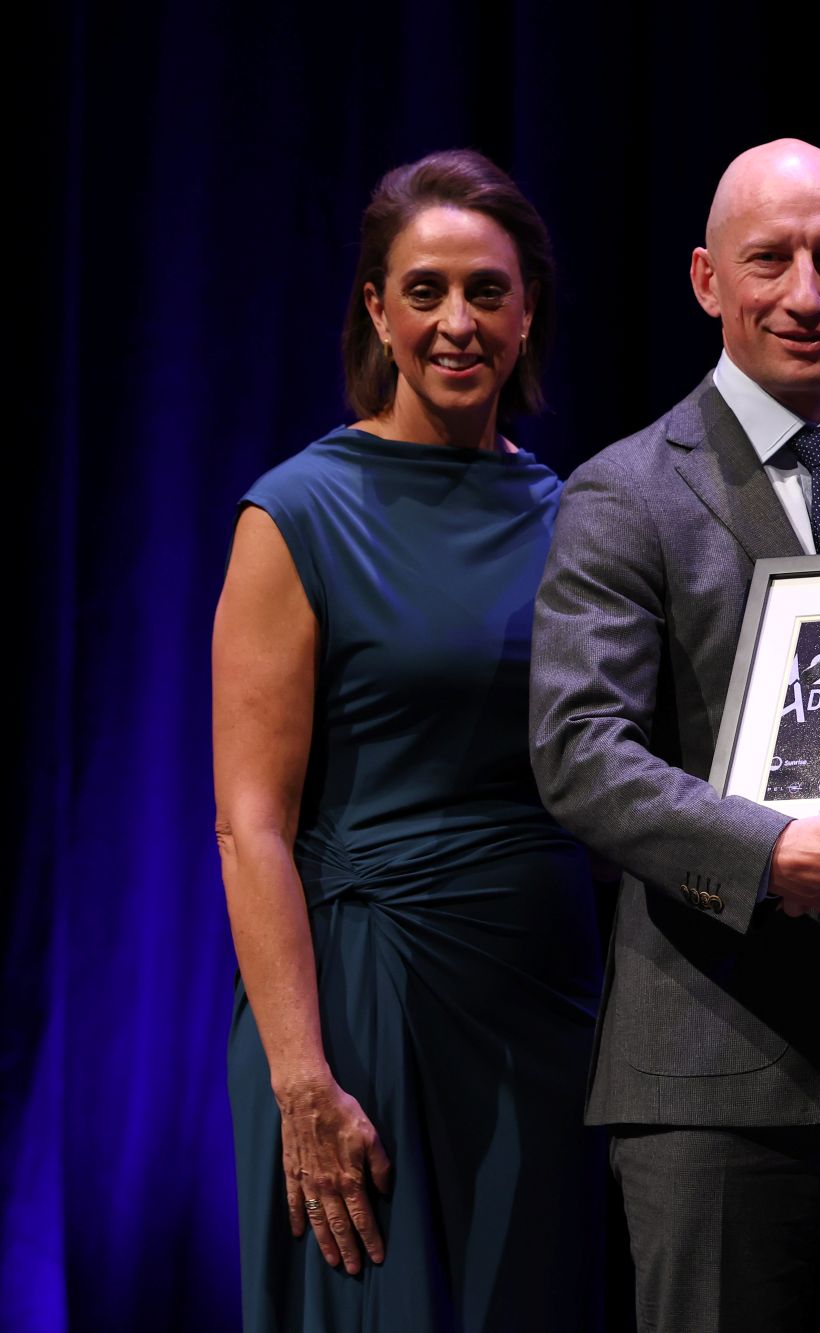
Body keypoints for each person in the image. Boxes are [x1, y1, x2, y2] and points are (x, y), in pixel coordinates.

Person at [529, 139, 820, 1332]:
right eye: (769, 260)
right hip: (712, 1064)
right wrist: (767, 853)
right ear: (703, 279)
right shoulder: (624, 490)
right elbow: (580, 749)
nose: (804, 292)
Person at [214, 149, 604, 1331]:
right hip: (360, 1015)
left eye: (486, 291)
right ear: (376, 310)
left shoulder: (574, 511)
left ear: (527, 310)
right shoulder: (297, 512)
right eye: (424, 290)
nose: (456, 322)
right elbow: (250, 825)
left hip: (545, 1007)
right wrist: (301, 1078)